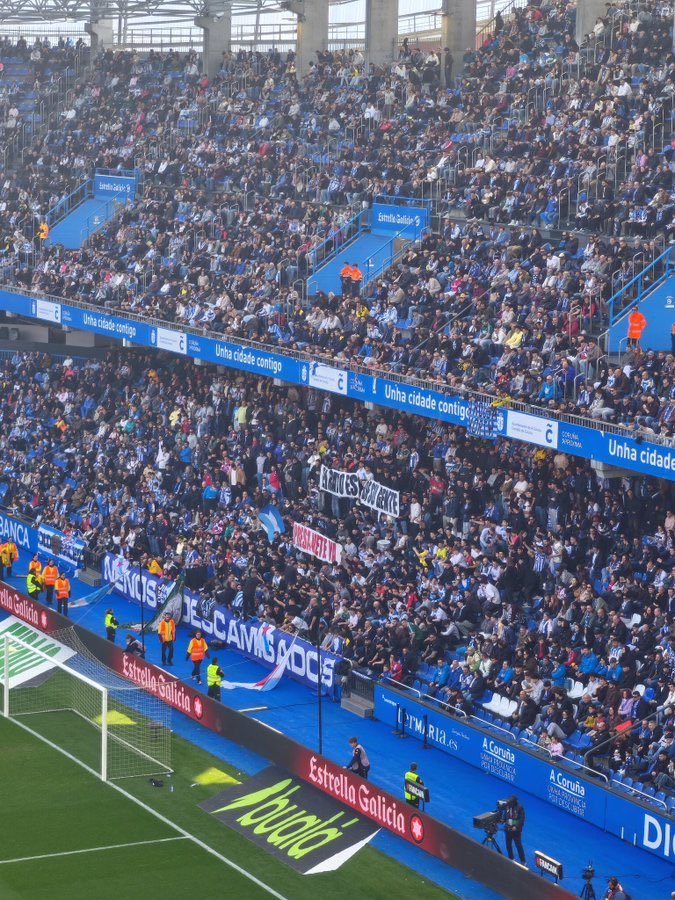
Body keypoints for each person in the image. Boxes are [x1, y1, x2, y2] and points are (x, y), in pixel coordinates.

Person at [502, 796, 526, 865]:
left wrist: (516, 826)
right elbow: (505, 815)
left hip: (516, 831)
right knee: (508, 845)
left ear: (514, 802)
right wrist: (503, 820)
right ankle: (511, 858)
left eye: (511, 802)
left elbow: (521, 820)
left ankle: (523, 861)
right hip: (507, 829)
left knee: (518, 846)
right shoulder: (507, 806)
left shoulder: (520, 808)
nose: (509, 804)